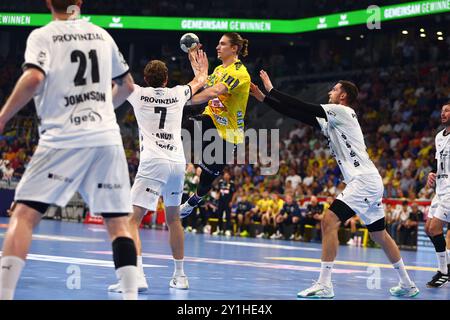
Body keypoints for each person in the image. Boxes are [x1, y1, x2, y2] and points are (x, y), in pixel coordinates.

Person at [0, 0, 138, 300]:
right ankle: (130, 296)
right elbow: (127, 87)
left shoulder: (43, 35)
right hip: (106, 136)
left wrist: (3, 117)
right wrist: (101, 109)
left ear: (49, 2)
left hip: (63, 136)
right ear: (80, 3)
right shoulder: (102, 35)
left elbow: (34, 78)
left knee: (23, 215)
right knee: (118, 223)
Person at [250, 71, 419, 298]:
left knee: (329, 220)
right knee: (380, 235)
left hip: (363, 181)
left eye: (334, 89)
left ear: (343, 96)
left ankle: (325, 284)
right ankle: (407, 284)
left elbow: (304, 105)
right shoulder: (331, 117)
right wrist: (263, 98)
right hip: (368, 180)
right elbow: (296, 113)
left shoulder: (343, 111)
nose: (330, 91)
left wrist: (272, 90)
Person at [108, 52, 209, 293]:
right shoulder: (177, 93)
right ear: (166, 79)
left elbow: (122, 83)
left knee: (131, 220)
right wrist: (200, 68)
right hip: (177, 161)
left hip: (154, 162)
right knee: (174, 219)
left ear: (146, 78)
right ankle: (180, 276)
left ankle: (136, 276)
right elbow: (200, 81)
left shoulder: (138, 93)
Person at [180, 33, 251, 218]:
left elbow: (215, 91)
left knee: (206, 180)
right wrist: (197, 66)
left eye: (222, 44)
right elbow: (204, 85)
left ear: (234, 48)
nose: (218, 47)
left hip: (228, 135)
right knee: (185, 127)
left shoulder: (240, 73)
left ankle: (194, 200)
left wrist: (185, 100)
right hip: (210, 119)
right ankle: (176, 164)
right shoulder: (219, 69)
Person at [424, 103, 450, 288]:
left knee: (435, 228)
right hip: (439, 189)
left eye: (447, 110)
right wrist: (432, 172)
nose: (443, 113)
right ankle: (447, 265)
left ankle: (444, 271)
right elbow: (437, 159)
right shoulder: (439, 136)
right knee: (428, 228)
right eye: (442, 111)